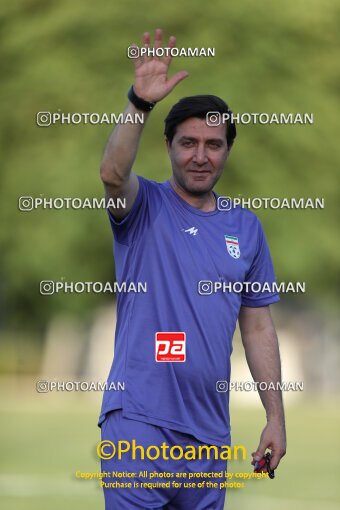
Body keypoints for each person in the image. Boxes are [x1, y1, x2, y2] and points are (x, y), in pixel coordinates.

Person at [98, 28, 286, 510]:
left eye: (213, 144)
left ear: (228, 150)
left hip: (210, 438)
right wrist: (139, 103)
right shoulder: (144, 207)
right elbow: (112, 174)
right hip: (139, 426)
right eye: (188, 143)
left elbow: (259, 326)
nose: (200, 156)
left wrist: (275, 417)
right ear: (168, 146)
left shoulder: (246, 228)